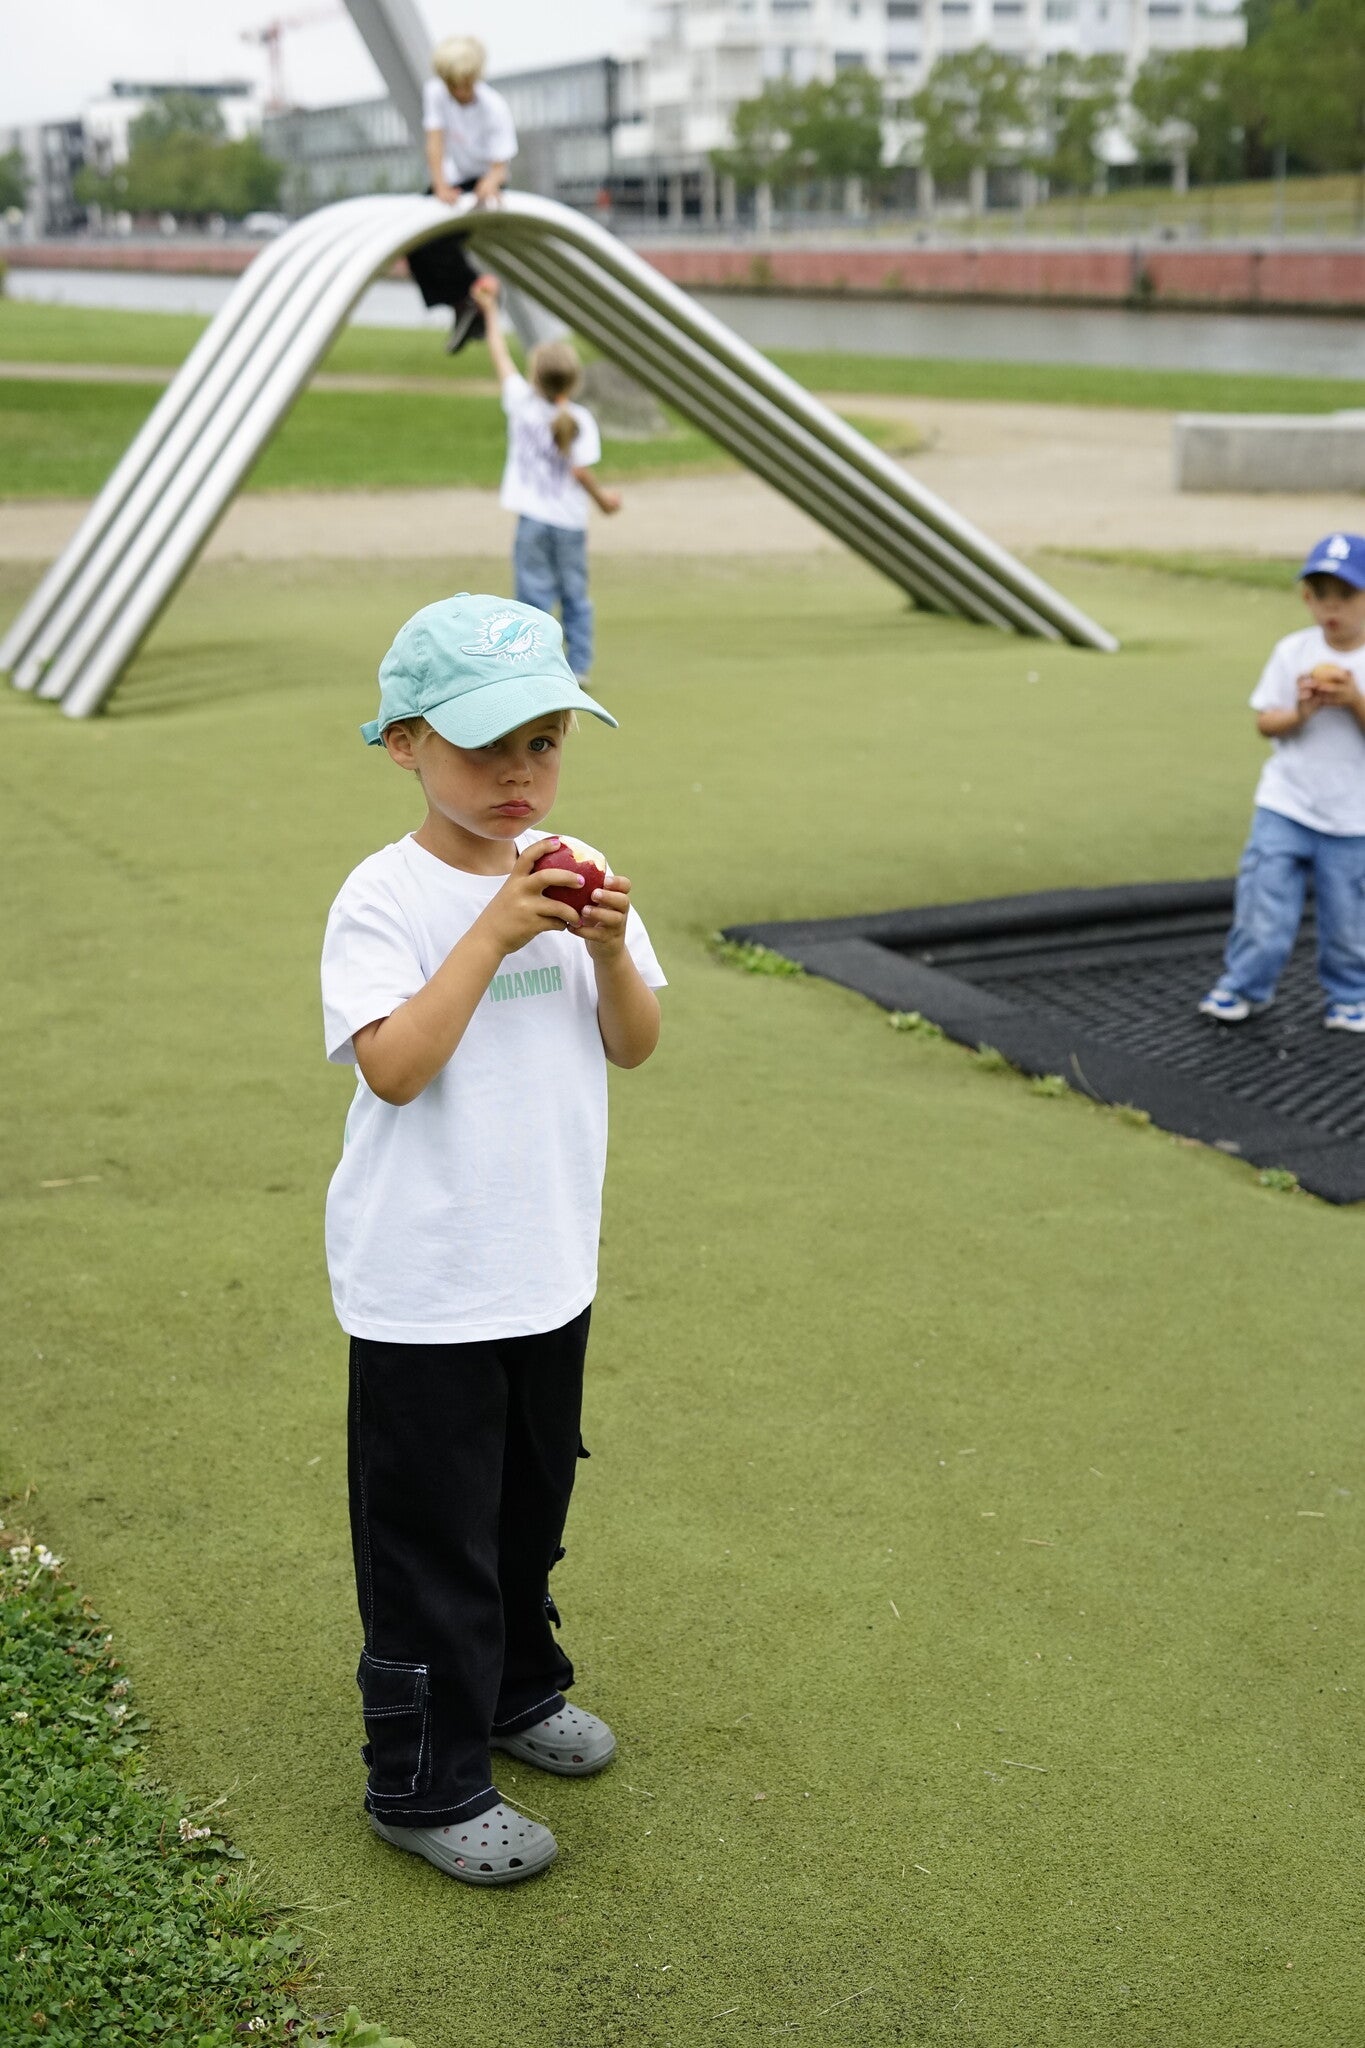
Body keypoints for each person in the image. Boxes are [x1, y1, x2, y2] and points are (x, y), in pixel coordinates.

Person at [321, 591, 665, 1886]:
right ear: (404, 743)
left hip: (545, 1271)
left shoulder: (570, 862)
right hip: (424, 1289)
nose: (521, 775)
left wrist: (614, 949)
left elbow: (631, 1042)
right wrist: (494, 931)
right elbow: (397, 1068)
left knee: (527, 1512)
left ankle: (519, 1689)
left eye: (544, 743)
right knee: (432, 1541)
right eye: (485, 747)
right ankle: (422, 1781)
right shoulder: (383, 898)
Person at [1200, 533, 1365, 1031]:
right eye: (1321, 595)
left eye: (1347, 595)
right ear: (1306, 599)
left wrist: (1354, 700)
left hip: (1354, 818)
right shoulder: (1293, 650)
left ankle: (1350, 995)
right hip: (1286, 804)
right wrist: (1303, 711)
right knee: (1263, 906)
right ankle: (1244, 986)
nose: (1332, 608)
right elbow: (1265, 722)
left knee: (1348, 922)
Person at [472, 278, 621, 683]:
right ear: (573, 383)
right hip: (570, 522)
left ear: (534, 376)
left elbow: (500, 355)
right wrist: (604, 500)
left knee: (532, 596)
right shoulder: (581, 420)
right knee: (576, 595)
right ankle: (580, 667)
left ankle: (534, 666)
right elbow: (580, 470)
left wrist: (490, 309)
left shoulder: (520, 403)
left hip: (533, 520)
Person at [408, 35, 516, 354]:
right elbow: (435, 141)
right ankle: (463, 301)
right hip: (456, 181)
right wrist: (439, 183)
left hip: (485, 181)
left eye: (465, 85)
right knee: (416, 239)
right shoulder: (436, 94)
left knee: (443, 240)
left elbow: (501, 165)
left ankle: (475, 293)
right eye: (453, 86)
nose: (459, 93)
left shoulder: (494, 107)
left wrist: (491, 181)